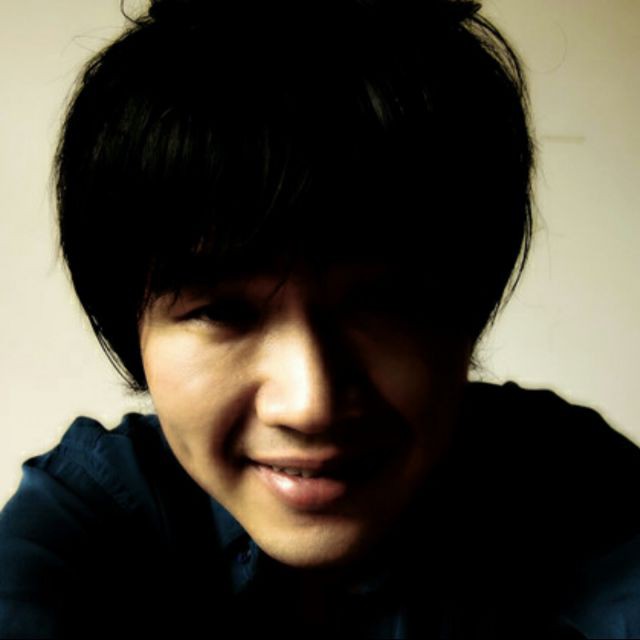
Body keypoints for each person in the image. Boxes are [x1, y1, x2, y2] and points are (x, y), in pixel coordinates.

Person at [1, 0, 639, 637]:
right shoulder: (91, 511)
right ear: (133, 331)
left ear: (466, 312)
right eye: (221, 312)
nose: (310, 405)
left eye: (383, 305)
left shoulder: (569, 485)